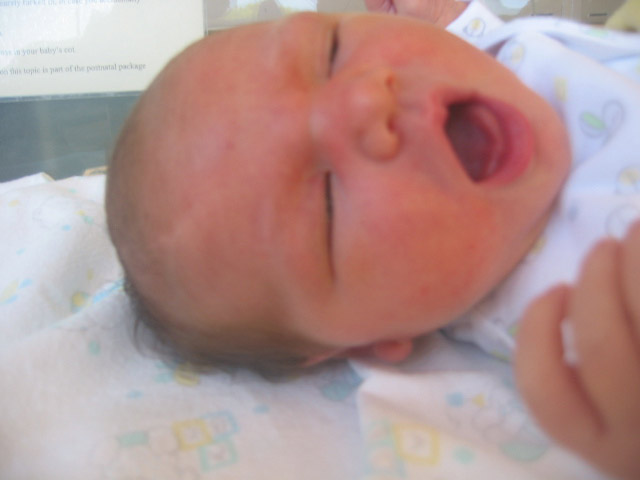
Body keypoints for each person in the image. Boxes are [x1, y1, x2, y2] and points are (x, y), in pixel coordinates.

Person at [105, 1, 640, 478]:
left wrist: (442, 15)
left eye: (331, 52)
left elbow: (466, 37)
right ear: (368, 339)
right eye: (327, 207)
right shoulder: (586, 327)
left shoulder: (475, 59)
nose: (365, 100)